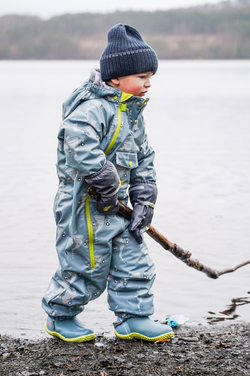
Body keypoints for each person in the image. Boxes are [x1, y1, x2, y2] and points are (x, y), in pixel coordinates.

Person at [42, 23, 174, 343]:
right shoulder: (92, 108)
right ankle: (61, 317)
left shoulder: (132, 113)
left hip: (119, 206)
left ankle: (133, 317)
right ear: (116, 78)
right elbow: (76, 142)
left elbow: (143, 156)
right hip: (82, 206)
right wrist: (103, 175)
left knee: (134, 258)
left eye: (150, 78)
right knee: (84, 265)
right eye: (142, 77)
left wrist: (144, 196)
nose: (147, 84)